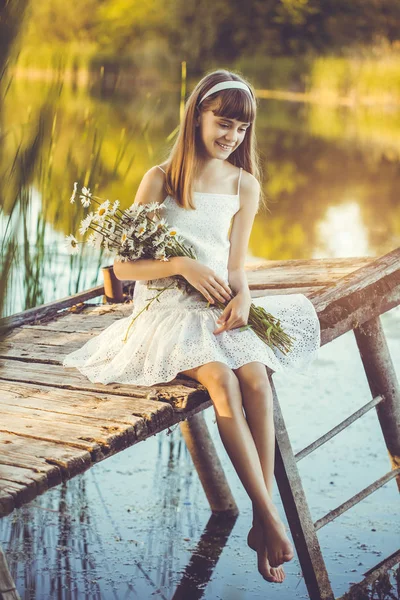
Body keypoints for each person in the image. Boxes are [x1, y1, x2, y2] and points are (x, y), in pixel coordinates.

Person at [63, 68, 321, 584]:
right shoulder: (161, 179)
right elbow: (124, 269)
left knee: (256, 376)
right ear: (196, 116)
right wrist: (182, 265)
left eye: (241, 129)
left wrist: (243, 298)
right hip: (163, 311)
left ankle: (261, 514)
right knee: (223, 381)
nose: (231, 136)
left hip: (215, 308)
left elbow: (237, 269)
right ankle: (268, 519)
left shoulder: (244, 184)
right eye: (223, 122)